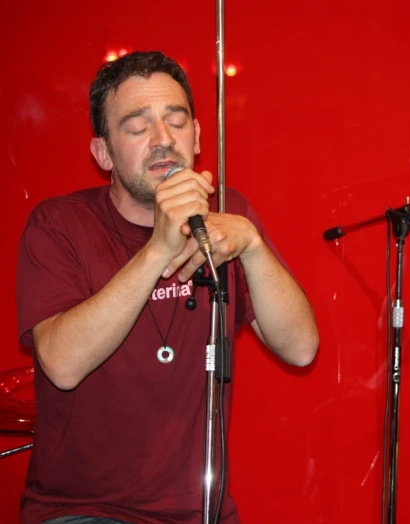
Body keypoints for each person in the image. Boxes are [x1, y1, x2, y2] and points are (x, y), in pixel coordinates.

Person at [16, 51, 319, 524]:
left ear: (197, 137)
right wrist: (156, 250)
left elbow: (301, 348)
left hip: (202, 510)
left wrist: (253, 247)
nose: (163, 140)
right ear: (103, 153)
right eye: (137, 129)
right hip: (84, 512)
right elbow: (62, 365)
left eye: (176, 122)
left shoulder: (227, 212)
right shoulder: (58, 225)